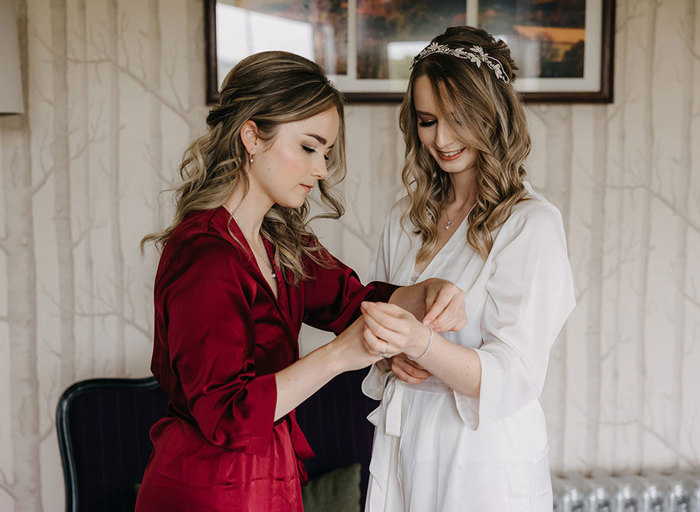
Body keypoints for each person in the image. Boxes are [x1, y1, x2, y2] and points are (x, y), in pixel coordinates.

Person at [134, 51, 466, 512]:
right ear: (251, 136)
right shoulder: (204, 256)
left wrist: (429, 290)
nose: (321, 170)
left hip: (268, 475)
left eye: (326, 153)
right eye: (309, 148)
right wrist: (339, 355)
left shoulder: (280, 242)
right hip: (207, 488)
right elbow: (226, 413)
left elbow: (355, 302)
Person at [359, 26, 576, 511]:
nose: (442, 138)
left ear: (492, 114)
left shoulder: (530, 225)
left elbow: (515, 374)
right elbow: (372, 316)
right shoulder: (405, 219)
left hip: (482, 455)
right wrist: (387, 357)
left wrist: (420, 344)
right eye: (427, 120)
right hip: (404, 434)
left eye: (458, 118)